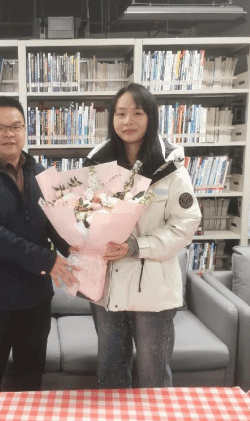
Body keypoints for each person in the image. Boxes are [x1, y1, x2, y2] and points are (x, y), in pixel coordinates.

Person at [83, 83, 201, 389]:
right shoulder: (97, 164)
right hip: (107, 287)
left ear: (151, 117)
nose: (127, 121)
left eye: (137, 113)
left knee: (153, 376)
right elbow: (84, 215)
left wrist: (136, 246)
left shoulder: (171, 168)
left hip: (154, 287)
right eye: (120, 113)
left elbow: (185, 223)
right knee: (111, 371)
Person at [0, 95, 78, 393]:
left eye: (16, 126)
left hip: (36, 298)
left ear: (25, 130)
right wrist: (47, 259)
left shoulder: (41, 175)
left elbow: (55, 224)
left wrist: (80, 249)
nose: (8, 134)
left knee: (31, 379)